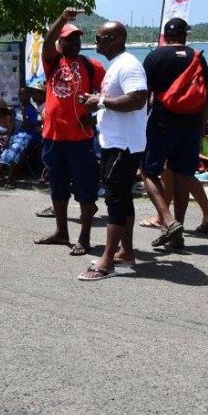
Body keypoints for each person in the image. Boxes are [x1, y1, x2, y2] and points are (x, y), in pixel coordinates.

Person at [79, 21, 149, 281]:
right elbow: (115, 100)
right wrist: (97, 102)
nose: (95, 43)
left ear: (114, 39)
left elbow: (138, 98)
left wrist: (101, 101)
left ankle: (107, 262)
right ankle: (126, 253)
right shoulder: (117, 64)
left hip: (125, 144)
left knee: (115, 199)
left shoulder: (129, 64)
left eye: (98, 38)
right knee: (122, 197)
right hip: (115, 142)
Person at [35, 8, 105, 257]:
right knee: (58, 187)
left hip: (80, 139)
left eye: (77, 39)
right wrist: (63, 17)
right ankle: (61, 231)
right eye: (69, 39)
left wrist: (93, 112)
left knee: (85, 189)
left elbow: (108, 95)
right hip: (53, 137)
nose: (75, 43)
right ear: (60, 43)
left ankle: (84, 237)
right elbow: (46, 41)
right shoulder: (52, 62)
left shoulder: (91, 66)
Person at [141, 18, 208, 246]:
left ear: (165, 36)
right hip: (192, 124)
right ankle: (178, 234)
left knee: (148, 172)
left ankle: (168, 219)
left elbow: (145, 95)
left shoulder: (154, 57)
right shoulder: (198, 57)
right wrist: (201, 126)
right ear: (185, 36)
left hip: (163, 122)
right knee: (182, 174)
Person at [0, 88, 42, 186]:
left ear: (28, 96)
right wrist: (8, 136)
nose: (21, 96)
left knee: (15, 152)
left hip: (26, 136)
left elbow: (30, 127)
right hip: (15, 135)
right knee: (5, 153)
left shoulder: (32, 110)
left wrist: (25, 116)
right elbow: (13, 124)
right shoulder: (17, 108)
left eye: (23, 94)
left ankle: (10, 179)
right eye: (19, 94)